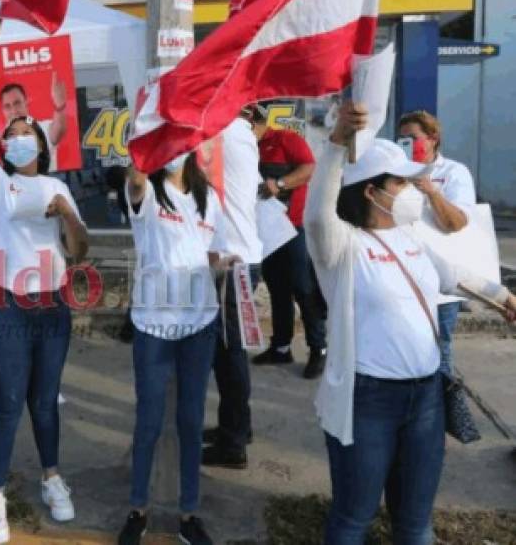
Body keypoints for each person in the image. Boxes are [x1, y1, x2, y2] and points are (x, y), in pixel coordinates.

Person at [306, 101, 516, 544]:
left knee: (416, 523)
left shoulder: (410, 237)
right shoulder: (343, 247)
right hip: (367, 402)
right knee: (353, 519)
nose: (412, 189)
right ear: (370, 191)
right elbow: (316, 215)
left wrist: (504, 299)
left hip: (425, 400)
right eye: (401, 182)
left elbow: (455, 276)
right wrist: (335, 145)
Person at [0, 28, 89, 545]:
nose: (16, 135)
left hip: (52, 310)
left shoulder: (59, 186)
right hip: (4, 309)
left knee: (44, 403)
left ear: (40, 142)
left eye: (25, 130)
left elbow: (79, 251)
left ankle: (51, 477)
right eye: (9, 130)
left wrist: (67, 216)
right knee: (8, 404)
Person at [116, 150, 228, 545]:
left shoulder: (207, 196)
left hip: (199, 324)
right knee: (148, 421)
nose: (176, 149)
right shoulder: (148, 191)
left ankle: (188, 514)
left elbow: (211, 250)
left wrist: (224, 263)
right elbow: (134, 179)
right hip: (153, 325)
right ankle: (137, 510)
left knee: (190, 422)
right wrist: (145, 151)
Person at [201, 108, 264, 470]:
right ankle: (238, 426)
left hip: (230, 261)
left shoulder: (224, 131)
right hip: (239, 256)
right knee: (230, 353)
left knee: (229, 355)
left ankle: (233, 442)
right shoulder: (239, 132)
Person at [247, 106, 328, 378]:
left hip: (292, 228)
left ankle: (319, 349)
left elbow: (309, 168)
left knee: (303, 288)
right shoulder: (246, 148)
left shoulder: (285, 140)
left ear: (255, 122)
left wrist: (280, 184)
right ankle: (281, 347)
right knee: (277, 289)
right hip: (263, 231)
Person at [398, 110, 477, 376]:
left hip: (440, 282)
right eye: (402, 139)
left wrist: (431, 191)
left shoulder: (454, 173)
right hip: (401, 277)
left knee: (438, 356)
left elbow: (456, 223)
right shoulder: (395, 172)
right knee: (402, 352)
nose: (406, 144)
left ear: (433, 139)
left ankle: (446, 415)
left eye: (413, 138)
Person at [0, 78, 67, 171]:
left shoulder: (42, 128)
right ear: (2, 110)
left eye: (17, 103)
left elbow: (58, 131)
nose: (13, 111)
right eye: (7, 106)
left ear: (26, 102)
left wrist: (59, 107)